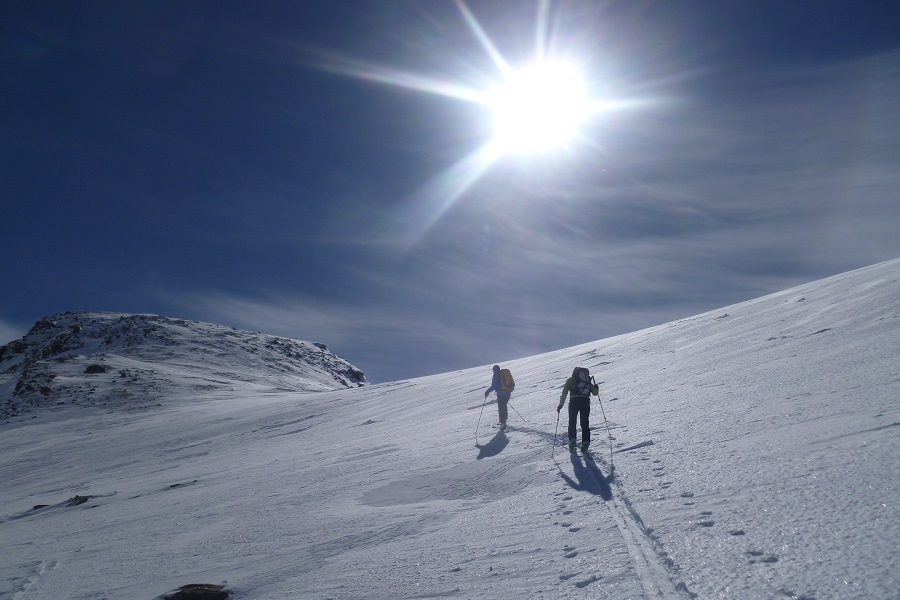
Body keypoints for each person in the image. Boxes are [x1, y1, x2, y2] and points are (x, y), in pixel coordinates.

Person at [558, 367, 599, 453]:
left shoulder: (571, 380)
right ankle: (585, 443)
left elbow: (564, 392)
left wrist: (561, 405)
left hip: (574, 402)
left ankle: (572, 441)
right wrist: (596, 387)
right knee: (585, 422)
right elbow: (595, 393)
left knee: (572, 421)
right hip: (585, 402)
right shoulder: (587, 381)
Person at [484, 365, 511, 430]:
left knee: (501, 409)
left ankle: (503, 423)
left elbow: (493, 386)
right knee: (504, 407)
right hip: (508, 393)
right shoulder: (503, 373)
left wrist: (487, 391)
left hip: (501, 395)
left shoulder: (496, 375)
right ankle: (503, 421)